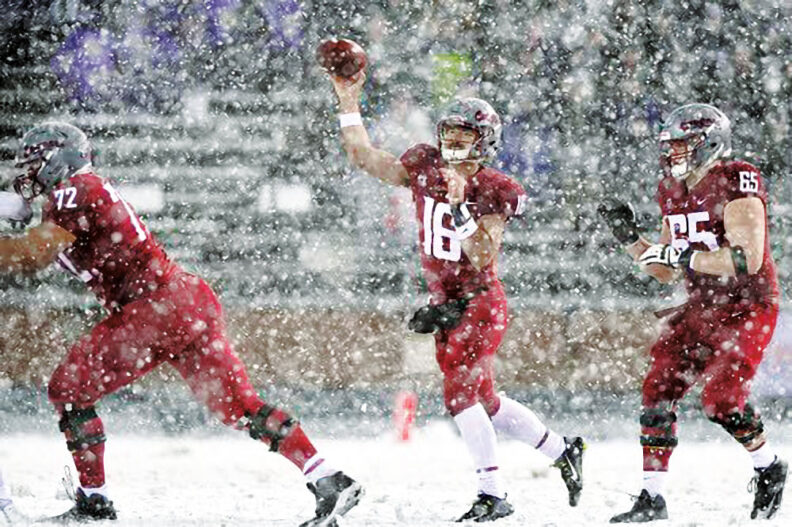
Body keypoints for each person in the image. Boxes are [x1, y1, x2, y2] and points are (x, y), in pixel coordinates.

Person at [0, 122, 362, 526]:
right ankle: (327, 477)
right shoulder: (77, 193)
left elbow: (30, 255)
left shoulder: (74, 192)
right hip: (184, 301)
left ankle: (94, 502)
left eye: (34, 161)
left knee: (68, 389)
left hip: (150, 310)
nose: (27, 172)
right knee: (239, 406)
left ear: (58, 157)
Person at [326, 72, 585, 522]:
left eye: (465, 134)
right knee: (484, 401)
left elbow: (482, 255)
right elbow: (363, 157)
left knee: (460, 395)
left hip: (480, 299)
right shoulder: (424, 165)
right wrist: (348, 100)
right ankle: (563, 449)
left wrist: (460, 206)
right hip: (446, 301)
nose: (453, 141)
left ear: (484, 141)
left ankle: (493, 494)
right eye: (448, 132)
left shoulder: (494, 188)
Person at [599, 103, 787, 522]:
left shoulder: (737, 179)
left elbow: (746, 259)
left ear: (709, 143)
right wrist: (631, 239)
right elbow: (664, 270)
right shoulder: (671, 189)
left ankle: (769, 465)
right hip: (700, 307)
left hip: (746, 306)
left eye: (683, 144)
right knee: (657, 392)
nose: (674, 153)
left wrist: (687, 256)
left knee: (722, 401)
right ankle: (652, 498)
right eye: (671, 146)